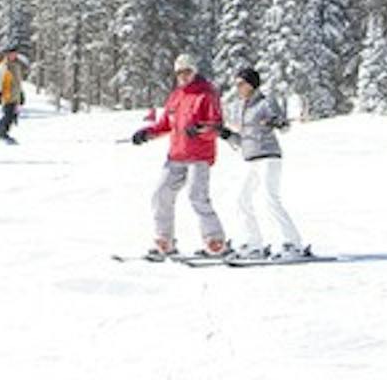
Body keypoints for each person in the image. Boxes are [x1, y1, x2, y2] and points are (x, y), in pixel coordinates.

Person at [130, 53, 228, 258]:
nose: (183, 76)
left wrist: (200, 130)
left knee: (196, 195)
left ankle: (215, 241)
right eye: (179, 72)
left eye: (187, 71)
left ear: (194, 71)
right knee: (160, 194)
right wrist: (146, 133)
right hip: (176, 155)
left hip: (199, 156)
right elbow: (165, 124)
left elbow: (216, 126)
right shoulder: (176, 96)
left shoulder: (206, 94)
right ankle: (164, 240)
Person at [219, 66, 307, 259]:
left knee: (270, 199)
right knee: (241, 199)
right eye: (237, 84)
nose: (238, 87)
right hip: (250, 159)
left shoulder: (266, 102)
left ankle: (294, 244)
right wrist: (226, 135)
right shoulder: (242, 107)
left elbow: (283, 125)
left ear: (252, 84)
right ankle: (254, 244)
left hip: (268, 156)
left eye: (241, 83)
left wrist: (277, 123)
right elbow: (243, 141)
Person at [0, 46, 25, 144]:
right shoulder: (4, 65)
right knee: (8, 115)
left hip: (15, 94)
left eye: (15, 54)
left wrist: (21, 94)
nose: (13, 56)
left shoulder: (17, 65)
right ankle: (1, 133)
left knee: (12, 115)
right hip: (7, 94)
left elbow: (18, 81)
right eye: (11, 54)